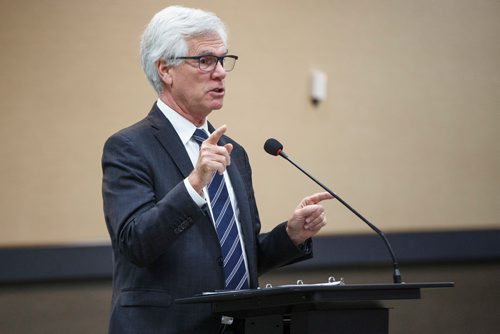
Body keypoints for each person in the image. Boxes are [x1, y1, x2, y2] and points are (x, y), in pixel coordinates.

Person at [101, 5, 333, 334]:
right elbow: (135, 243)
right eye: (205, 60)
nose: (221, 72)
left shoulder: (233, 153)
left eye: (223, 60)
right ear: (165, 70)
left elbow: (237, 257)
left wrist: (291, 235)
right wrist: (193, 186)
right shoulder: (129, 147)